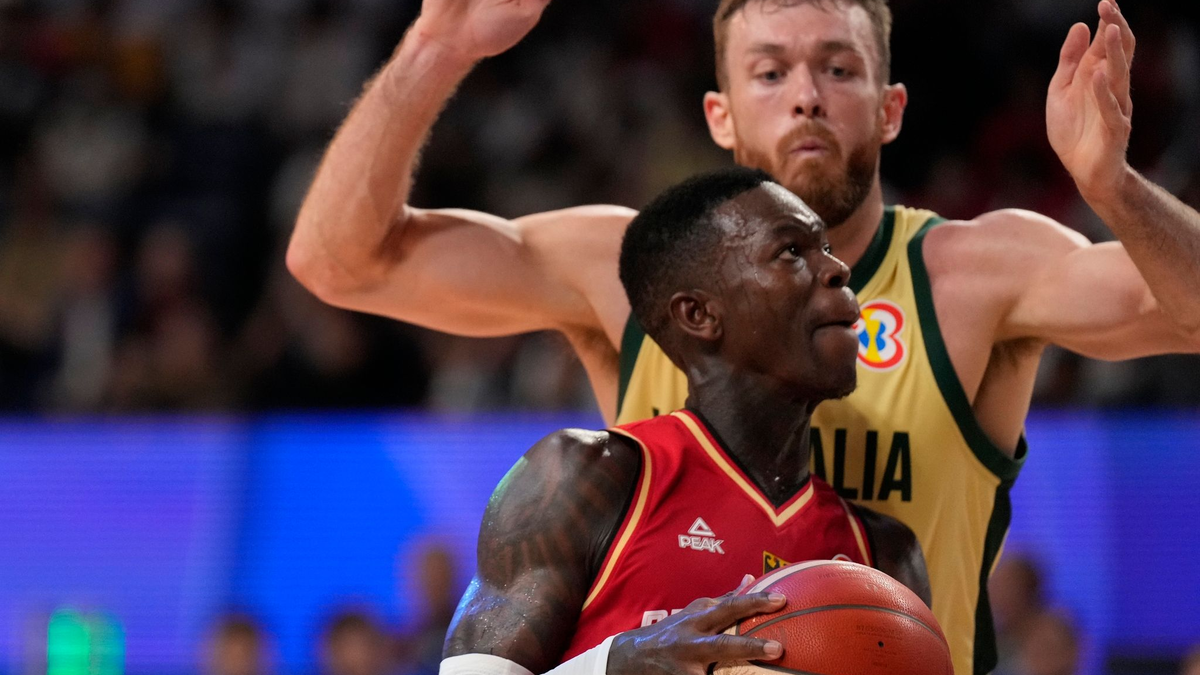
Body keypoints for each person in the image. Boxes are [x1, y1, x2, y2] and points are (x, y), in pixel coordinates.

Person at [286, 0, 1200, 671]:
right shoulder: (635, 268)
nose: (806, 97)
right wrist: (438, 46)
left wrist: (1113, 187)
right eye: (770, 72)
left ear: (890, 107)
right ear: (719, 114)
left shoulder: (976, 272)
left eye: (838, 69)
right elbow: (341, 264)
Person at [440, 167, 930, 675]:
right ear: (699, 314)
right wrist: (621, 663)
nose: (838, 269)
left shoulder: (883, 553)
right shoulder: (584, 477)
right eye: (791, 251)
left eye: (827, 248)